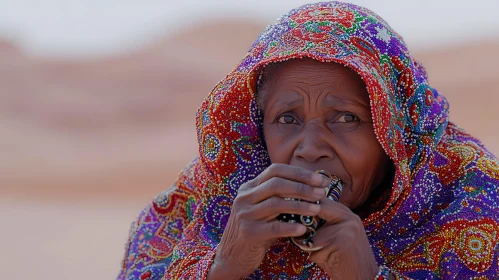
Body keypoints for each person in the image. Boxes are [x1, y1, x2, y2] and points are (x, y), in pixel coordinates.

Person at [118, 2, 499, 279]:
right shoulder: (205, 201)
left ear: (395, 129)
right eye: (287, 119)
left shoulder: (471, 201)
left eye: (347, 118)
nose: (310, 147)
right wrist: (223, 266)